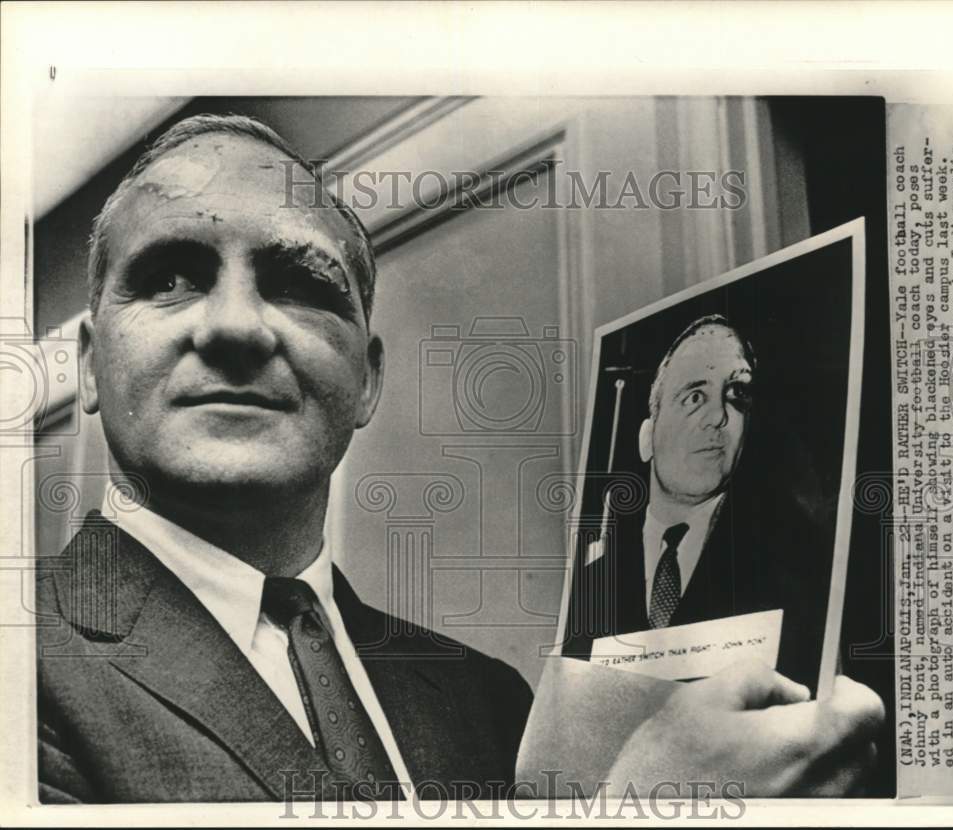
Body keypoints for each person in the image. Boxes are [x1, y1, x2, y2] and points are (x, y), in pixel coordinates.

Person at [36, 114, 882, 804]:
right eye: (172, 277)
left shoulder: (490, 700)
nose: (235, 327)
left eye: (298, 284)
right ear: (86, 367)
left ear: (367, 380)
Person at [564, 316, 834, 689]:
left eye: (736, 395)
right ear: (647, 437)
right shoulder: (589, 587)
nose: (720, 416)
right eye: (694, 397)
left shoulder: (794, 576)